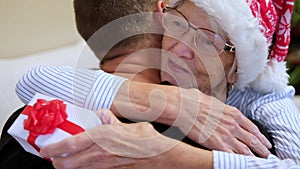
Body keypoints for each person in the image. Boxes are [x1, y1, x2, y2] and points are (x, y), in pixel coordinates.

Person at [1, 0, 299, 168]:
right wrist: (175, 104)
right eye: (179, 24)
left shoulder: (243, 137)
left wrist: (170, 155)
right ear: (161, 16)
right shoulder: (43, 117)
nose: (183, 47)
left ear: (238, 70)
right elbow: (33, 78)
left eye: (209, 41)